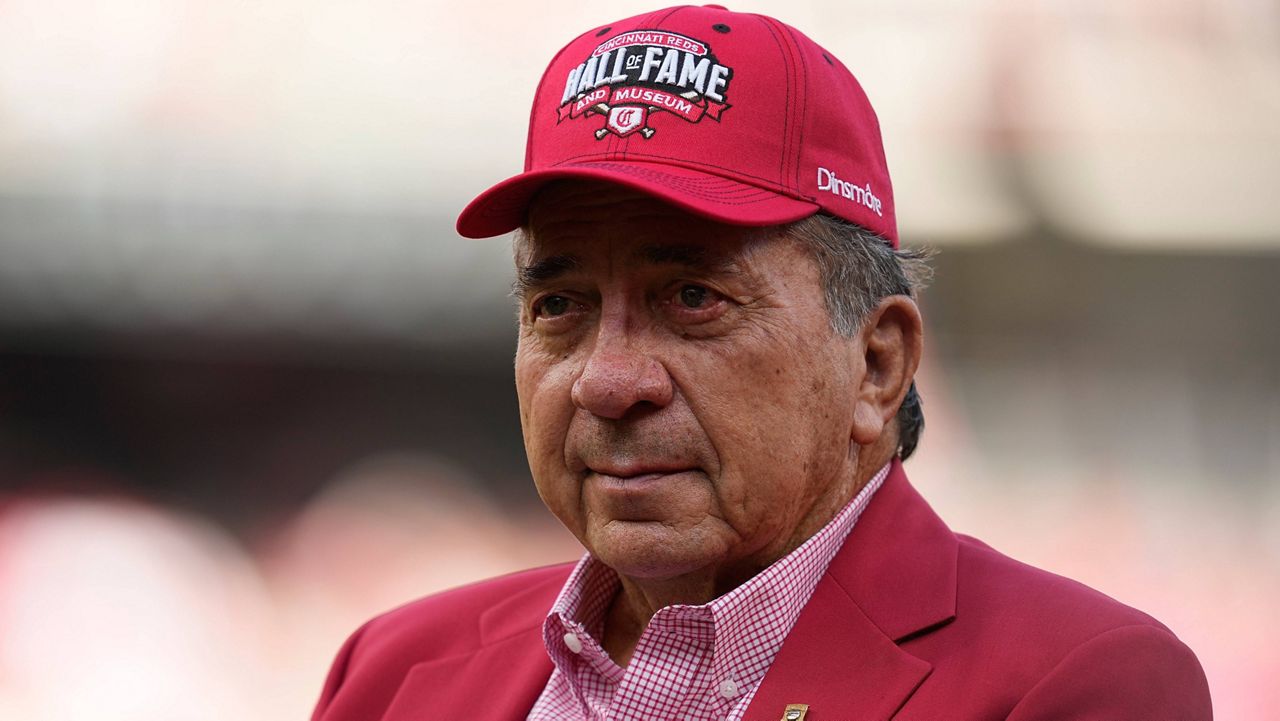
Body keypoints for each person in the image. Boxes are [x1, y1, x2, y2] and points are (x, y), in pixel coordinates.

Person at [312, 6, 1212, 720]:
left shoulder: (1073, 684)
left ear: (877, 362)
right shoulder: (392, 672)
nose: (607, 379)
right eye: (560, 306)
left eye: (693, 299)